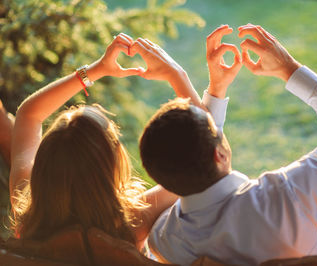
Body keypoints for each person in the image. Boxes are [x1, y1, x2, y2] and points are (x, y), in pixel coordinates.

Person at [139, 24, 317, 265]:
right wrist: (289, 69)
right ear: (219, 156)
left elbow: (199, 153)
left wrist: (217, 90)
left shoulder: (165, 240)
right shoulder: (287, 195)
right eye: (213, 126)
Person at [8, 32, 223, 252]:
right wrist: (177, 75)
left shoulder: (27, 209)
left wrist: (96, 69)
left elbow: (28, 114)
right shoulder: (129, 226)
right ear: (115, 161)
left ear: (45, 163)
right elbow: (206, 155)